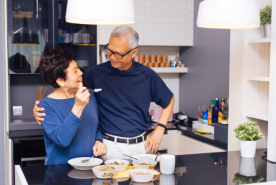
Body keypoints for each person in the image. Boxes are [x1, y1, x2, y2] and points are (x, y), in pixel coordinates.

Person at [34, 26, 174, 160]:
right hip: (110, 147)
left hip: (141, 146)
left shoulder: (147, 75)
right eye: (109, 50)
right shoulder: (95, 74)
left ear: (134, 52)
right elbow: (66, 88)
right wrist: (40, 110)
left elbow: (169, 99)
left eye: (118, 54)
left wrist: (160, 129)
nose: (112, 57)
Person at [38, 47, 107, 165]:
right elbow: (62, 140)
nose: (81, 73)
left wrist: (98, 140)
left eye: (78, 68)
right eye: (75, 71)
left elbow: (95, 125)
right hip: (60, 172)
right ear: (60, 81)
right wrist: (78, 107)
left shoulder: (87, 94)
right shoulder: (46, 106)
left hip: (90, 166)